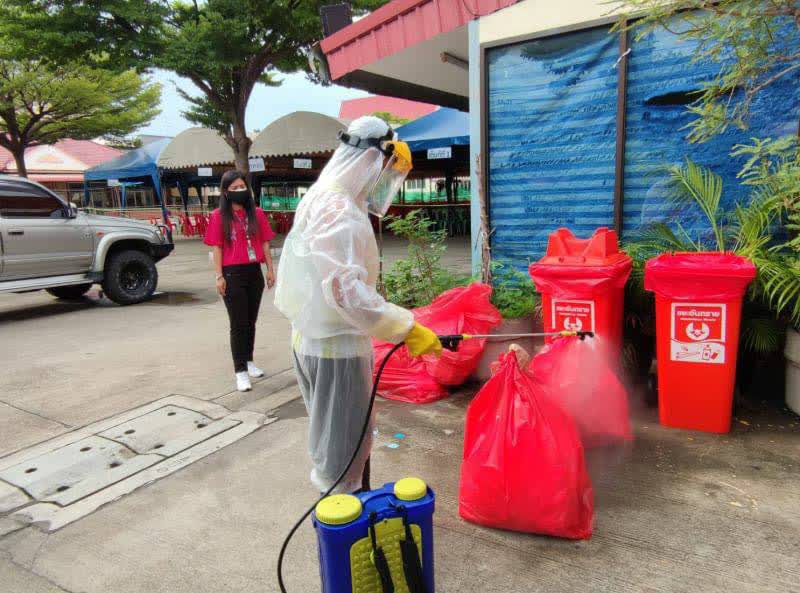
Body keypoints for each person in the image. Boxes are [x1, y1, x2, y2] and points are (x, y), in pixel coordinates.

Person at [274, 116, 442, 495]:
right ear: (369, 160)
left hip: (311, 340)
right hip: (337, 350)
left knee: (337, 447)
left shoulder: (321, 197)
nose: (383, 179)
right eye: (384, 168)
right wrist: (406, 326)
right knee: (343, 457)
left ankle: (345, 521)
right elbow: (346, 292)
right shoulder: (340, 211)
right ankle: (345, 536)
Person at [205, 170, 276, 392]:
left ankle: (250, 361)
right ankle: (240, 371)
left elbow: (264, 242)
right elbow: (216, 247)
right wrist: (219, 276)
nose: (239, 191)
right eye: (234, 188)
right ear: (226, 192)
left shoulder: (257, 213)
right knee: (238, 324)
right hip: (231, 273)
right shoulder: (218, 216)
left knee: (250, 321)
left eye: (242, 187)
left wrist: (270, 270)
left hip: (253, 272)